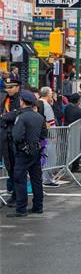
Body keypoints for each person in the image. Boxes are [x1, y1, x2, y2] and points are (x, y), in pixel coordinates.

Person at [6, 90, 48, 217]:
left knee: (20, 180)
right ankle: (38, 206)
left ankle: (21, 209)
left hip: (23, 152)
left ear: (22, 102)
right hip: (36, 151)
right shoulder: (40, 117)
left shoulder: (21, 117)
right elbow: (43, 135)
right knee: (36, 180)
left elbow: (17, 135)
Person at [0, 78, 22, 207]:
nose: (8, 90)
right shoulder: (5, 99)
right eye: (7, 87)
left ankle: (18, 196)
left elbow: (17, 114)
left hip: (16, 139)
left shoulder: (21, 99)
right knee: (10, 169)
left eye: (11, 87)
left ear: (17, 87)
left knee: (18, 169)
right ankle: (14, 193)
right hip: (5, 138)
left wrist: (4, 117)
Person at [39, 87, 59, 187]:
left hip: (39, 135)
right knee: (50, 157)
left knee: (42, 157)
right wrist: (54, 135)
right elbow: (51, 123)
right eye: (51, 93)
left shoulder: (37, 103)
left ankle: (43, 178)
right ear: (48, 95)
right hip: (48, 136)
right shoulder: (46, 105)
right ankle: (47, 179)